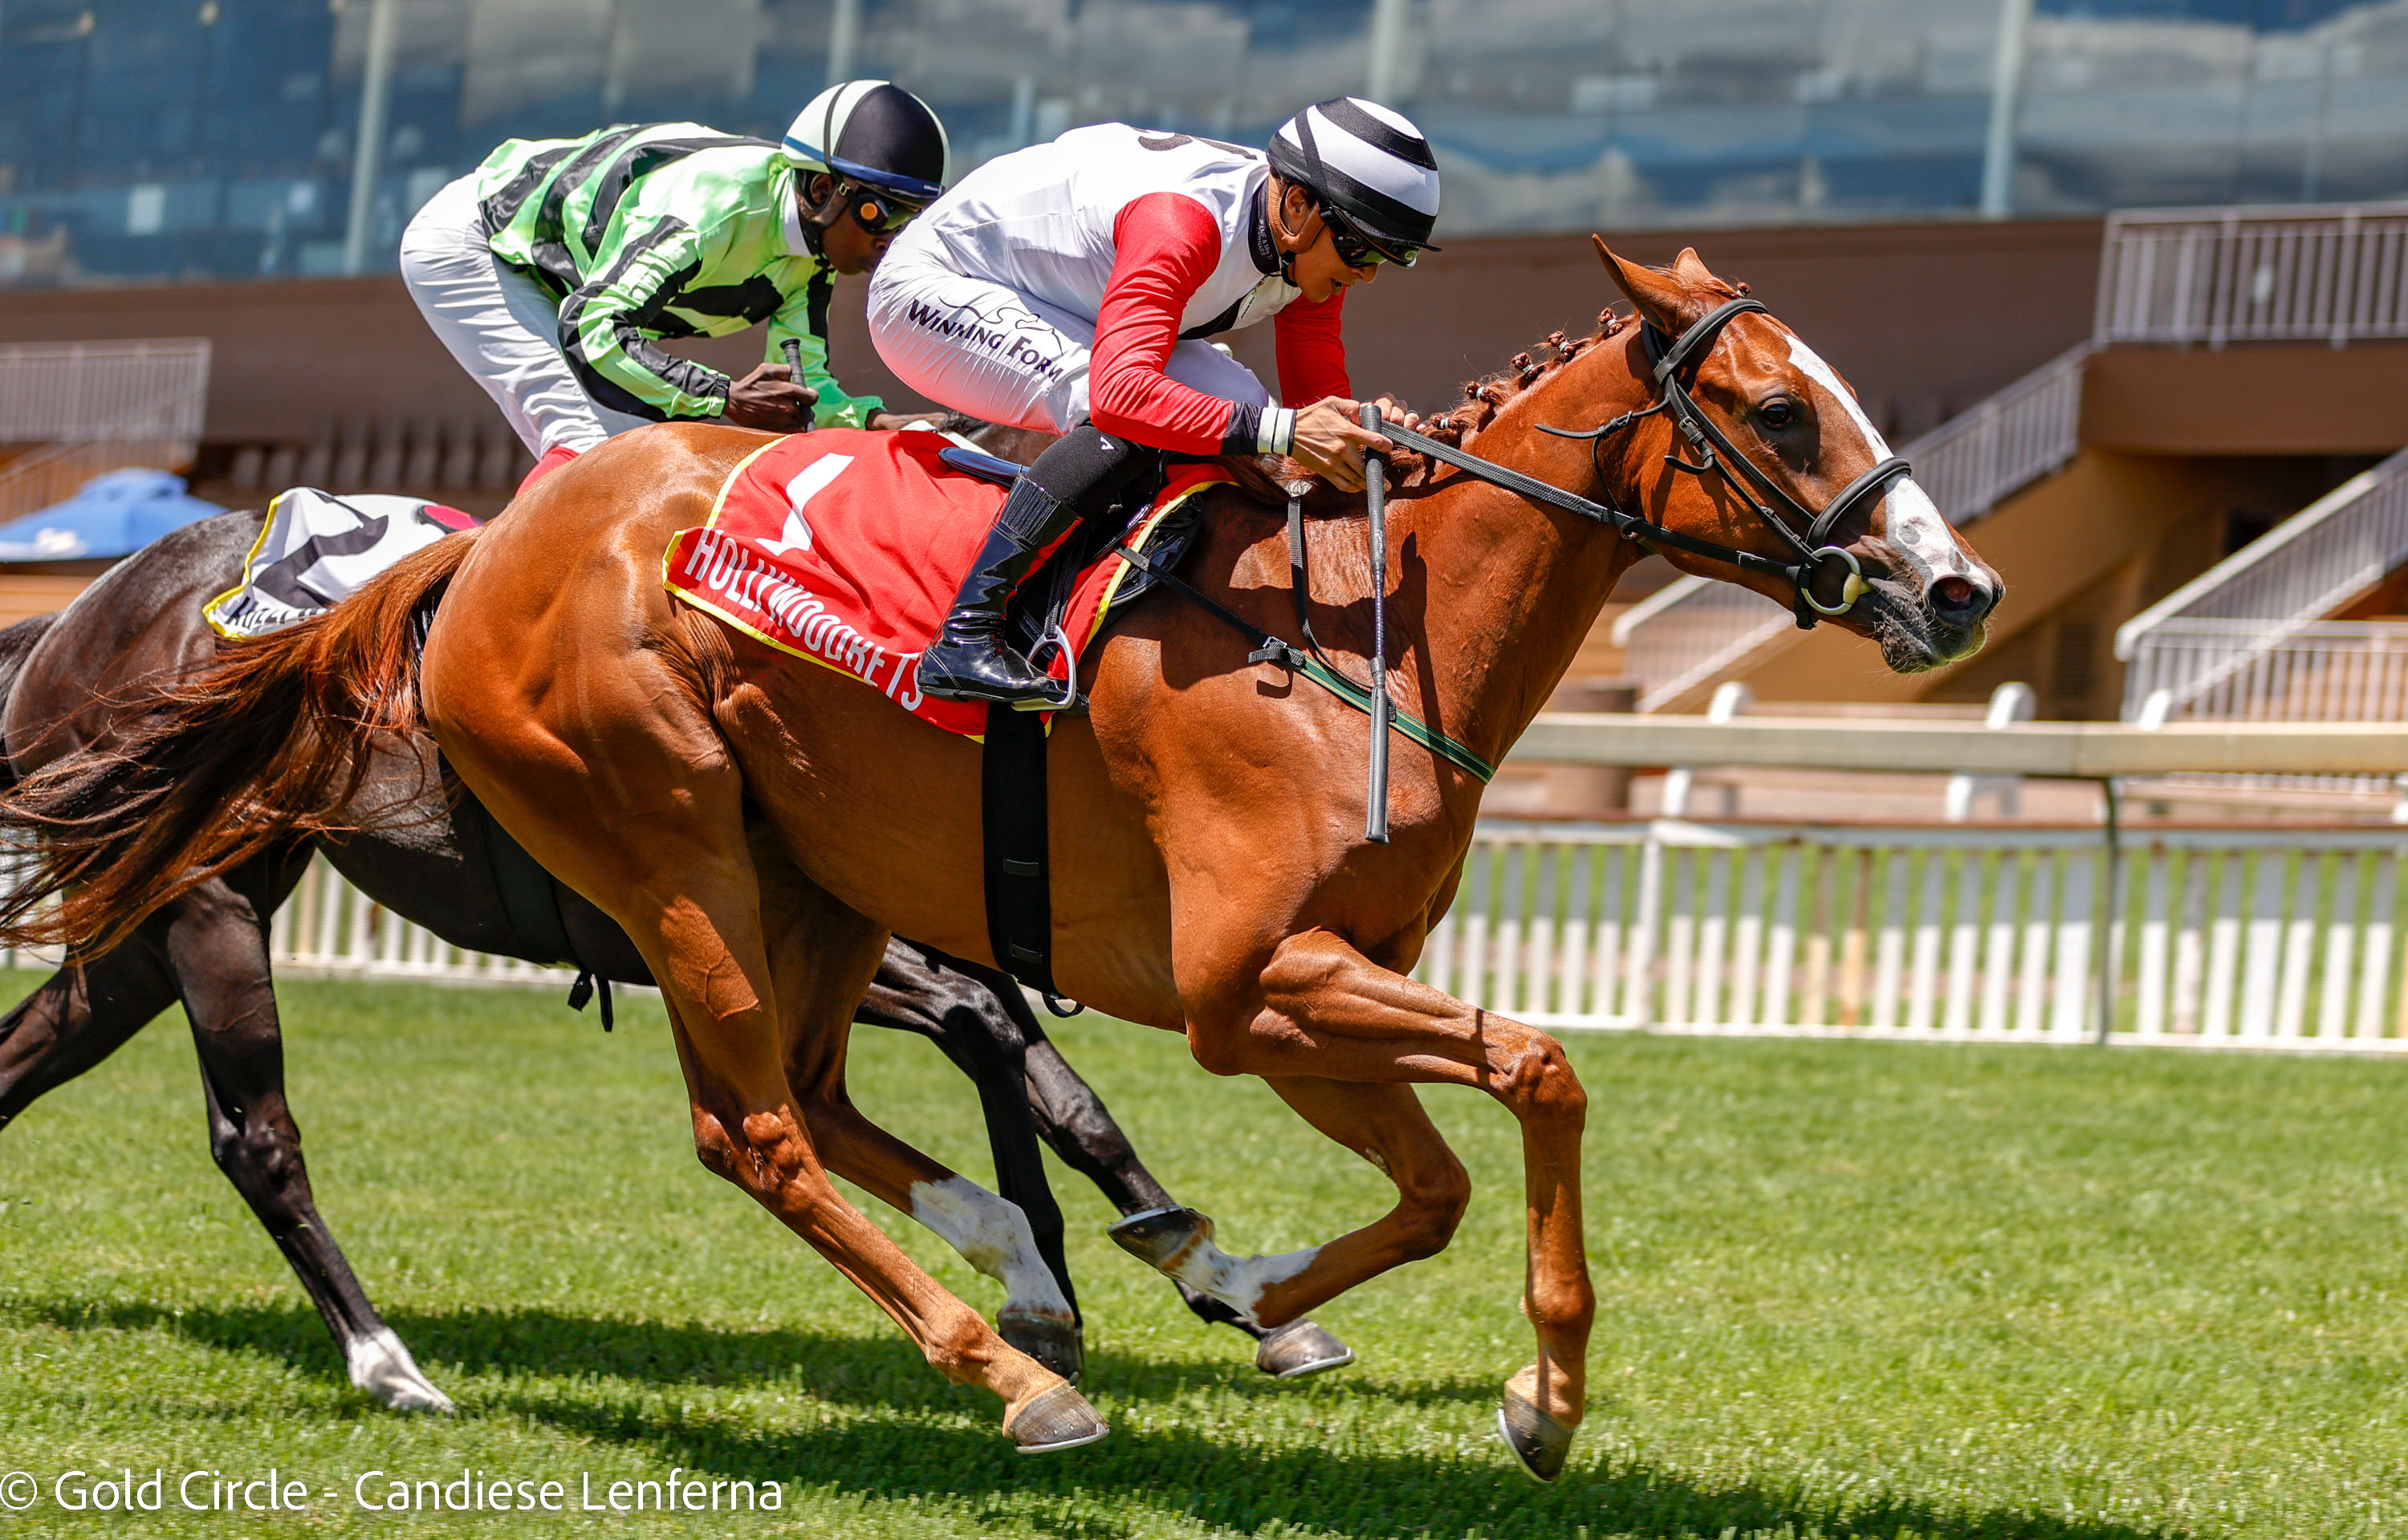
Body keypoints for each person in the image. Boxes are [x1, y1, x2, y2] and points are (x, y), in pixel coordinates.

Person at [867, 96, 1442, 709]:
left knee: (1244, 405)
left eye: (1390, 256)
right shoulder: (1183, 222)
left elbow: (1314, 410)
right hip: (937, 282)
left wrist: (1360, 433)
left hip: (1062, 295)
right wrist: (1288, 430)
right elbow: (1119, 397)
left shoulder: (1304, 235)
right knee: (1129, 411)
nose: (1368, 273)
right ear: (1297, 206)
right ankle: (966, 632)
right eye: (1360, 249)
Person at [400, 80, 950, 492]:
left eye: (912, 218)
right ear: (822, 190)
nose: (892, 238)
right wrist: (725, 397)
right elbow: (593, 330)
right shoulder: (712, 212)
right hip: (481, 243)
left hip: (561, 278)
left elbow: (806, 389)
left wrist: (877, 422)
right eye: (882, 212)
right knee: (594, 444)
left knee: (631, 445)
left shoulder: (813, 252)